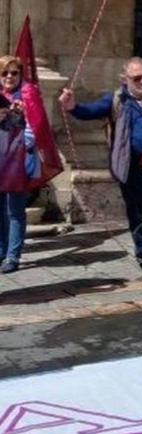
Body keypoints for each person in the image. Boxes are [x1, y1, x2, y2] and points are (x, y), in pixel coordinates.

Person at [59, 56, 142, 281]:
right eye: (136, 78)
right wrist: (72, 107)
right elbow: (88, 112)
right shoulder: (117, 100)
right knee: (138, 216)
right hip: (132, 168)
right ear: (125, 78)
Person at [0, 56, 38, 273]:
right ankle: (1, 251)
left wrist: (19, 143)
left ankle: (13, 256)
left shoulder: (27, 96)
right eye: (5, 73)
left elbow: (35, 129)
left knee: (15, 210)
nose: (9, 77)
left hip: (17, 162)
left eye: (14, 73)